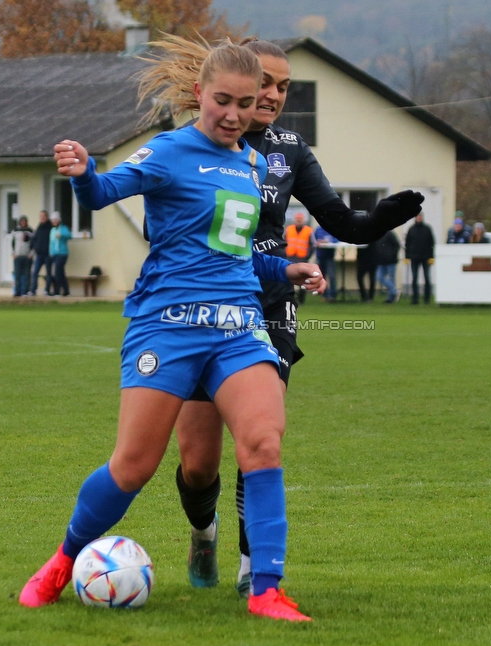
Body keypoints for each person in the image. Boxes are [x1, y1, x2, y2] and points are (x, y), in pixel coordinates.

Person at [19, 41, 326, 622]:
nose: (234, 114)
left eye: (246, 102)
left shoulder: (253, 164)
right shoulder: (167, 151)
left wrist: (288, 267)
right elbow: (105, 192)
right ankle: (62, 560)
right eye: (222, 101)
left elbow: (238, 256)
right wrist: (84, 174)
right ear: (198, 97)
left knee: (263, 443)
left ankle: (266, 590)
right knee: (134, 465)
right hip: (168, 324)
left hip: (238, 325)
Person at [162, 37, 423, 600]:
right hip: (202, 307)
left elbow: (342, 222)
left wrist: (378, 219)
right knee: (198, 461)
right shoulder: (190, 145)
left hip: (270, 309)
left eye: (284, 86)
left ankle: (252, 568)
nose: (275, 96)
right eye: (269, 84)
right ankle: (202, 531)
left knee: (259, 440)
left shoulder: (289, 151)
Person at [405, 212, 435, 304]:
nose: (419, 218)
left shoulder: (427, 229)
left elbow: (432, 243)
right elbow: (407, 244)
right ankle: (415, 299)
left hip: (426, 257)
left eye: (420, 216)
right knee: (414, 278)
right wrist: (407, 256)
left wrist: (431, 256)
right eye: (417, 216)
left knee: (427, 278)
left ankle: (427, 299)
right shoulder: (411, 229)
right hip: (414, 257)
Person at [284, 212, 314, 304]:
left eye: (300, 220)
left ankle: (301, 299)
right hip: (290, 257)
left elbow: (313, 245)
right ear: (295, 220)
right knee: (288, 279)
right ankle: (289, 297)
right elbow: (282, 241)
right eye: (297, 220)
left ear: (303, 221)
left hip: (302, 258)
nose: (299, 221)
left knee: (303, 280)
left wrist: (308, 256)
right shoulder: (288, 230)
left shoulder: (309, 231)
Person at [29, 210, 54, 296]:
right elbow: (34, 239)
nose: (42, 218)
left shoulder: (51, 228)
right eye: (41, 216)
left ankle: (47, 290)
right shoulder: (38, 228)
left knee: (48, 273)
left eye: (44, 216)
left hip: (48, 254)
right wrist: (35, 248)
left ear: (46, 217)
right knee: (35, 272)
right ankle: (33, 290)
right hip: (39, 255)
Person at [49, 213, 72, 297]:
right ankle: (66, 291)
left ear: (58, 220)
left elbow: (69, 235)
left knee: (57, 271)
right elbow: (51, 243)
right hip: (55, 254)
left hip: (62, 253)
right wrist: (50, 252)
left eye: (55, 220)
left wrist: (61, 235)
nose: (54, 222)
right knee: (61, 273)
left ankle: (56, 291)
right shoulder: (52, 230)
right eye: (53, 220)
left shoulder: (63, 228)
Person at [374, 229, 401, 303]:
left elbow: (397, 245)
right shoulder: (377, 235)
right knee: (379, 277)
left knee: (391, 279)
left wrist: (391, 255)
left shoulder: (390, 234)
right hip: (381, 261)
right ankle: (394, 291)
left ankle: (391, 298)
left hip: (390, 261)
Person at [314, 223, 338, 301]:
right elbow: (313, 240)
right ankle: (324, 294)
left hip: (330, 256)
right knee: (321, 276)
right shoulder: (318, 230)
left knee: (331, 276)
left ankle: (333, 295)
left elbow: (336, 240)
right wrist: (317, 243)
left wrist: (327, 241)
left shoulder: (332, 229)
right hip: (320, 256)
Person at [11, 216, 34, 297]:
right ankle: (17, 291)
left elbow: (33, 243)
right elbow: (12, 243)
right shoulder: (15, 230)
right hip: (18, 256)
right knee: (17, 275)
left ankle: (26, 291)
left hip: (27, 256)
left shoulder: (30, 231)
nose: (23, 223)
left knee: (27, 274)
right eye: (22, 221)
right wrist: (13, 253)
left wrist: (31, 254)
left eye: (25, 221)